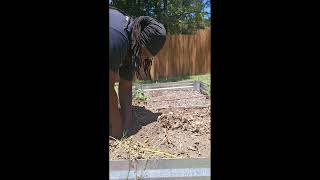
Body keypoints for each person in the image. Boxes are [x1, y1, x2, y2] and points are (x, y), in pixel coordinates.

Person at [109, 6, 167, 138]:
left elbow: (125, 86)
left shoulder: (133, 46)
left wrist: (128, 125)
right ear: (141, 43)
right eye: (145, 55)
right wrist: (117, 132)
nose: (144, 60)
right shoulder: (116, 37)